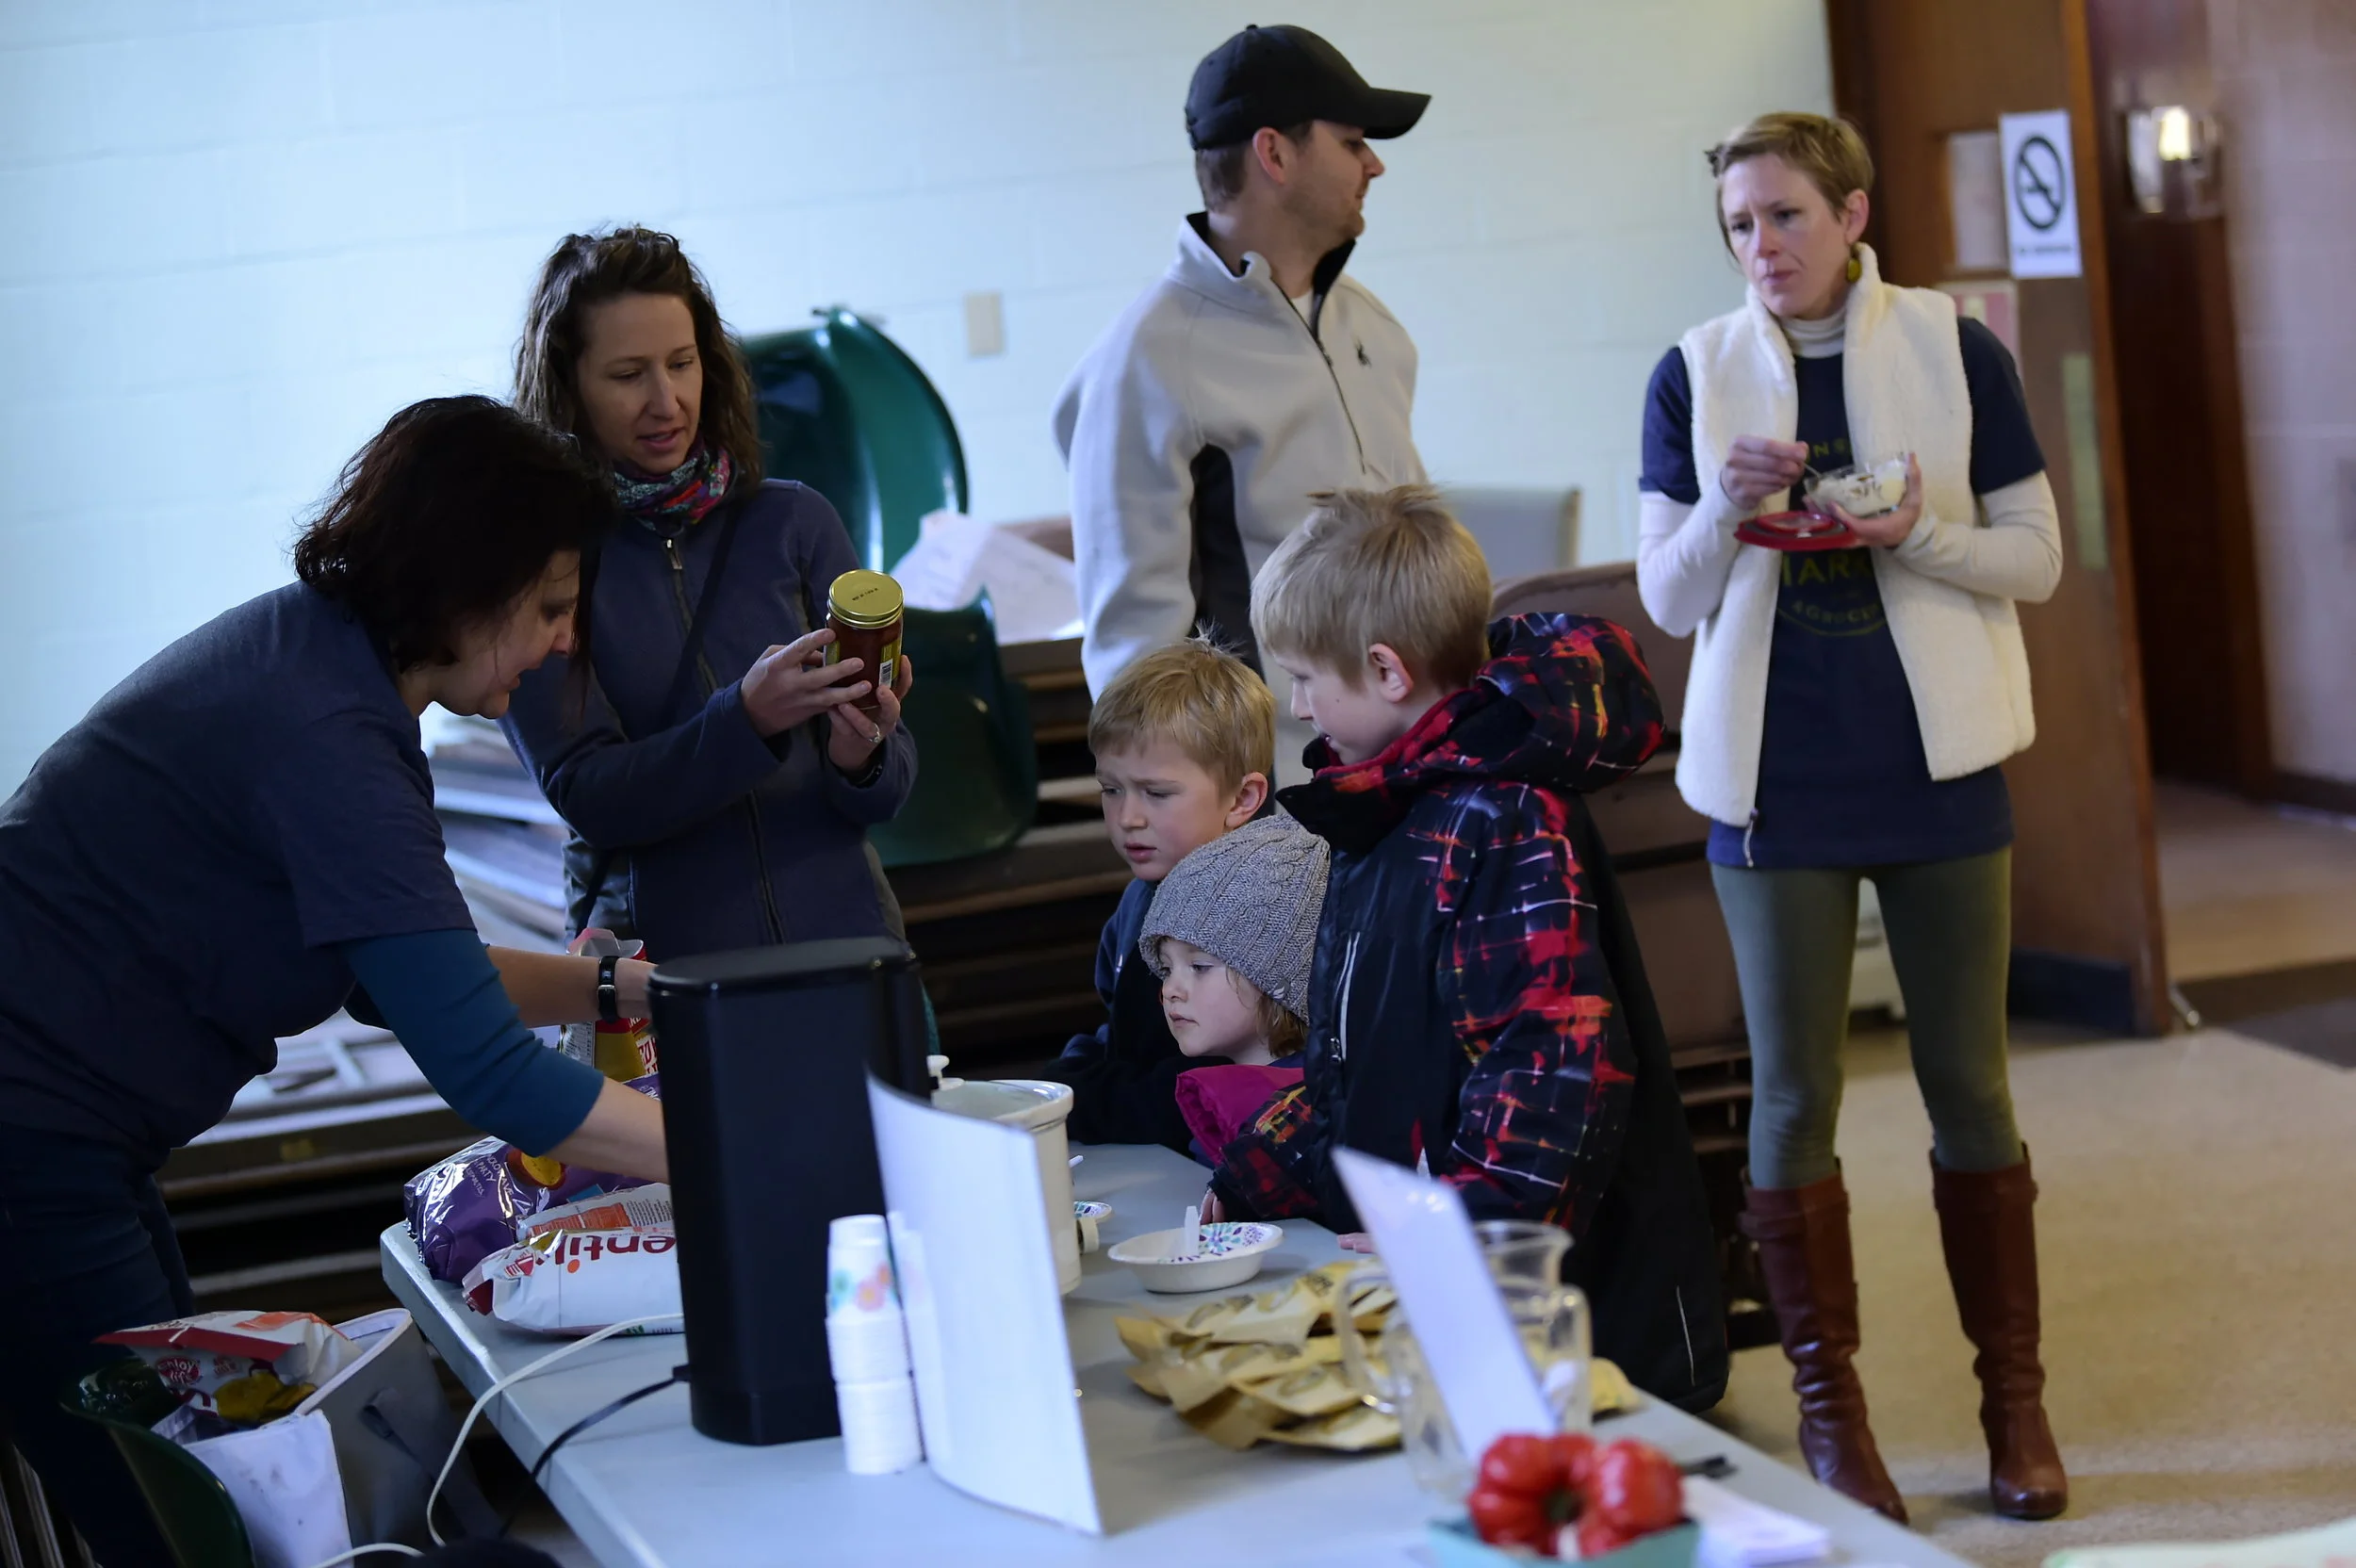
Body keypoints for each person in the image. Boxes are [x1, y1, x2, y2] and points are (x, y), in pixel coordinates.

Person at [0, 397, 666, 1565]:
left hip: (70, 1134)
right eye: (552, 605)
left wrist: (615, 997)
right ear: (472, 581)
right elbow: (496, 1077)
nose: (564, 640)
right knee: (179, 1521)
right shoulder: (328, 732)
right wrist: (743, 1151)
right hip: (28, 1136)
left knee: (206, 1472)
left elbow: (401, 974)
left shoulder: (326, 667)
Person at [1635, 112, 2068, 1521]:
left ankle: (2017, 1413)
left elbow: (2039, 560)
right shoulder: (1691, 376)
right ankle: (1838, 1429)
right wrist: (1721, 503)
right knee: (1794, 1098)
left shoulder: (1954, 347)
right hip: (1774, 789)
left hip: (1940, 774)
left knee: (1970, 1087)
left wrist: (1914, 536)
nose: (1761, 247)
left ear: (1853, 213)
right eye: (1739, 227)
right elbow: (1669, 600)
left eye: (1784, 217)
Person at [1205, 485, 1730, 1413]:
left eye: (1303, 677)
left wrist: (1461, 1226)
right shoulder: (1385, 811)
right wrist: (1257, 1170)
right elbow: (1355, 1061)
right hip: (1433, 1275)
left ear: (1385, 669)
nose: (1294, 704)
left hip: (1541, 1314)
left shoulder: (1500, 820)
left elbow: (1551, 1068)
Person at [504, 226, 915, 958]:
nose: (666, 400)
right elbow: (591, 796)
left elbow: (888, 793)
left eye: (682, 363)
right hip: (662, 981)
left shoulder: (795, 521)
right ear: (569, 386)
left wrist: (865, 753)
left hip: (847, 951)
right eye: (629, 374)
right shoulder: (540, 564)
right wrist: (747, 722)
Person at [1053, 23, 1430, 786]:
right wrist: (1207, 834)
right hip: (1275, 803)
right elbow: (1135, 652)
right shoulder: (1147, 360)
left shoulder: (1374, 327)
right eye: (1353, 141)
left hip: (1411, 779)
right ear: (1275, 154)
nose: (1375, 164)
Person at [1035, 638, 1273, 1150]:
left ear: (1243, 798)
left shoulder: (1251, 916)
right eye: (1111, 789)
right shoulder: (1139, 897)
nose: (1128, 818)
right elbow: (1121, 1030)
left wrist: (1076, 1096)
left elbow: (1202, 1089)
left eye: (1157, 793)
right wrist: (1063, 1074)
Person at [1137, 813, 1328, 1159]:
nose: (1170, 990)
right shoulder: (1227, 1097)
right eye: (1166, 969)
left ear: (1280, 977)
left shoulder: (1288, 1123)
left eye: (1199, 966)